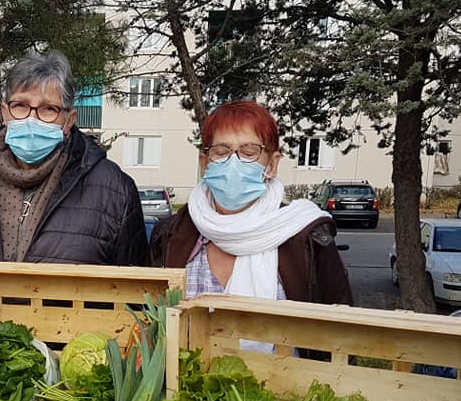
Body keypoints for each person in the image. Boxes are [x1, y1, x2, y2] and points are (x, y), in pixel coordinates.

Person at [0, 51, 147, 269]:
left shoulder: (114, 190)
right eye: (20, 106)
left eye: (48, 109)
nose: (31, 119)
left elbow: (136, 292)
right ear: (5, 112)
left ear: (69, 120)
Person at [149, 100, 352, 307]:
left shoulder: (307, 236)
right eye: (221, 152)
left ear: (272, 165)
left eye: (249, 152)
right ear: (204, 163)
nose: (233, 163)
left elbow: (341, 329)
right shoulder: (168, 235)